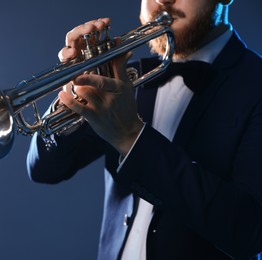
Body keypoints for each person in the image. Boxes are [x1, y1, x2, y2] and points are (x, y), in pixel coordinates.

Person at [26, 0, 262, 259]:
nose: (163, 0)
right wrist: (73, 92)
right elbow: (45, 169)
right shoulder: (127, 77)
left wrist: (131, 137)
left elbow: (248, 232)